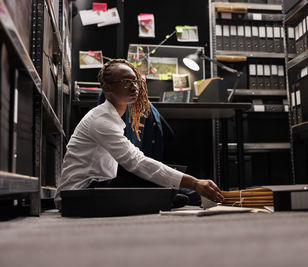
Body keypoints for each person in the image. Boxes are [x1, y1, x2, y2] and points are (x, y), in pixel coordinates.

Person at [54, 59, 224, 210]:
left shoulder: (113, 117)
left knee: (159, 184)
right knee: (151, 180)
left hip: (98, 187)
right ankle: (165, 197)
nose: (134, 86)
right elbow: (136, 161)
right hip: (75, 195)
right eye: (126, 81)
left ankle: (165, 197)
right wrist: (194, 182)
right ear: (107, 88)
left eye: (135, 81)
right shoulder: (101, 120)